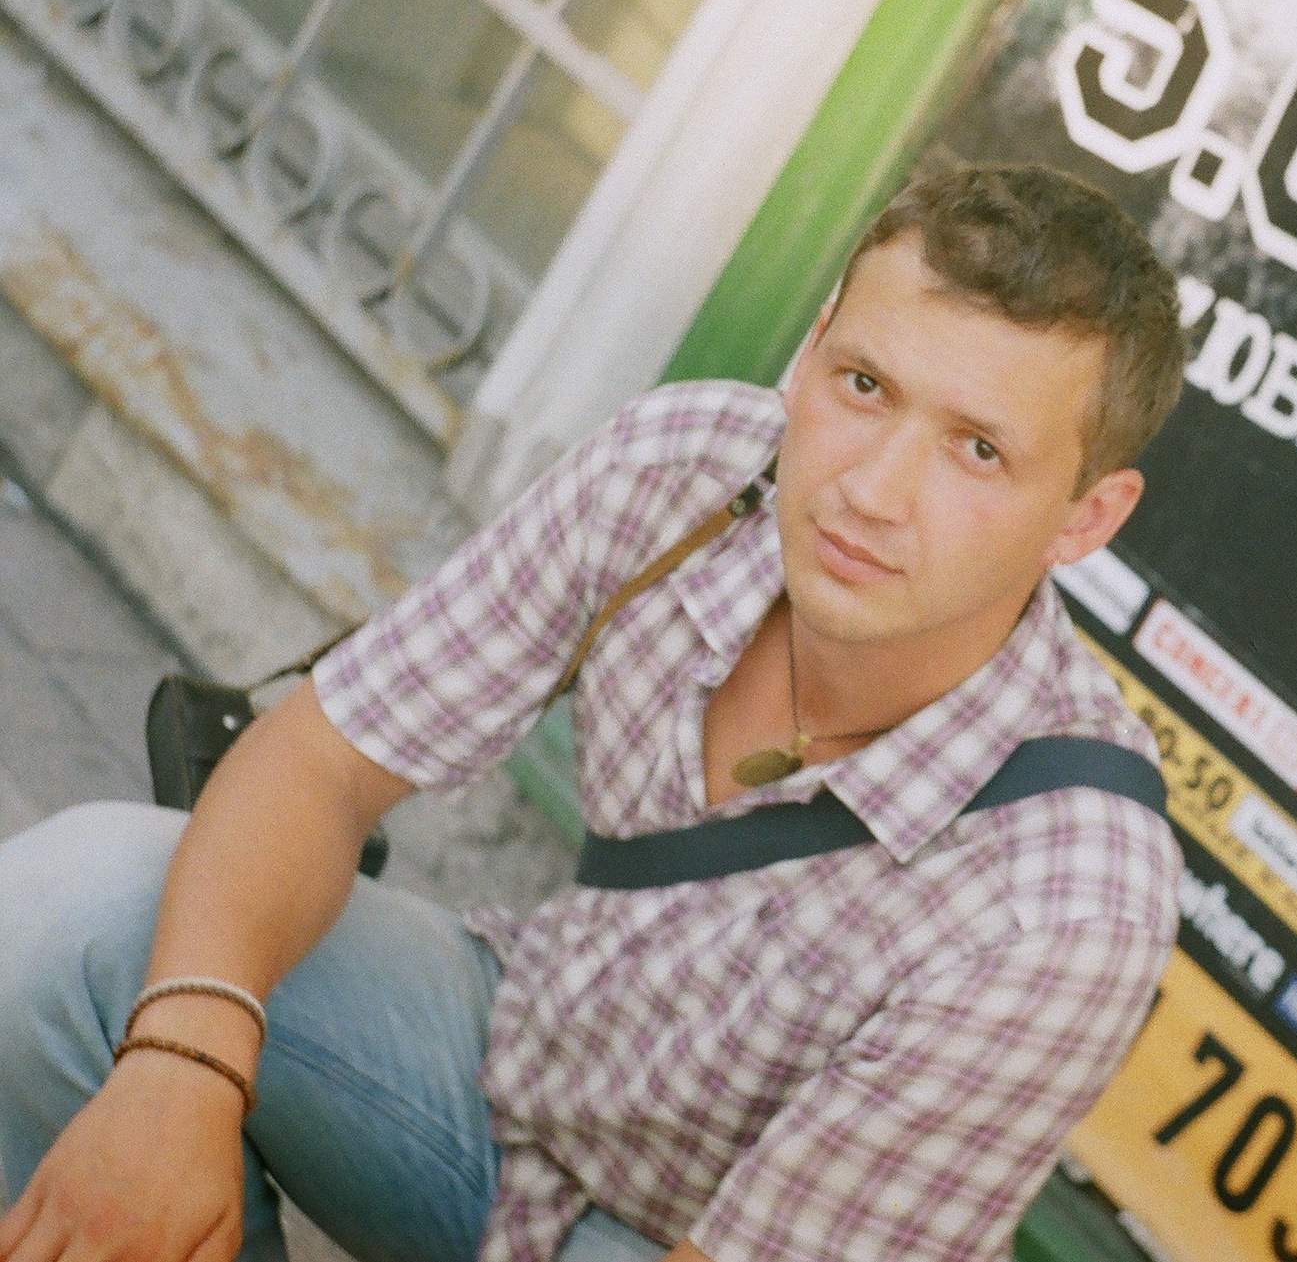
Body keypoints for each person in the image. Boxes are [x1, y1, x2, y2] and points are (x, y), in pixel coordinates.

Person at [0, 165, 1189, 1262]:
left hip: (688, 1232)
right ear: (811, 348)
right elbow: (322, 755)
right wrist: (180, 1066)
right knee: (79, 903)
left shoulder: (1068, 901)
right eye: (864, 385)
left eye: (977, 449)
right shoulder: (690, 474)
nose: (872, 489)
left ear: (1085, 516)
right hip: (516, 1059)